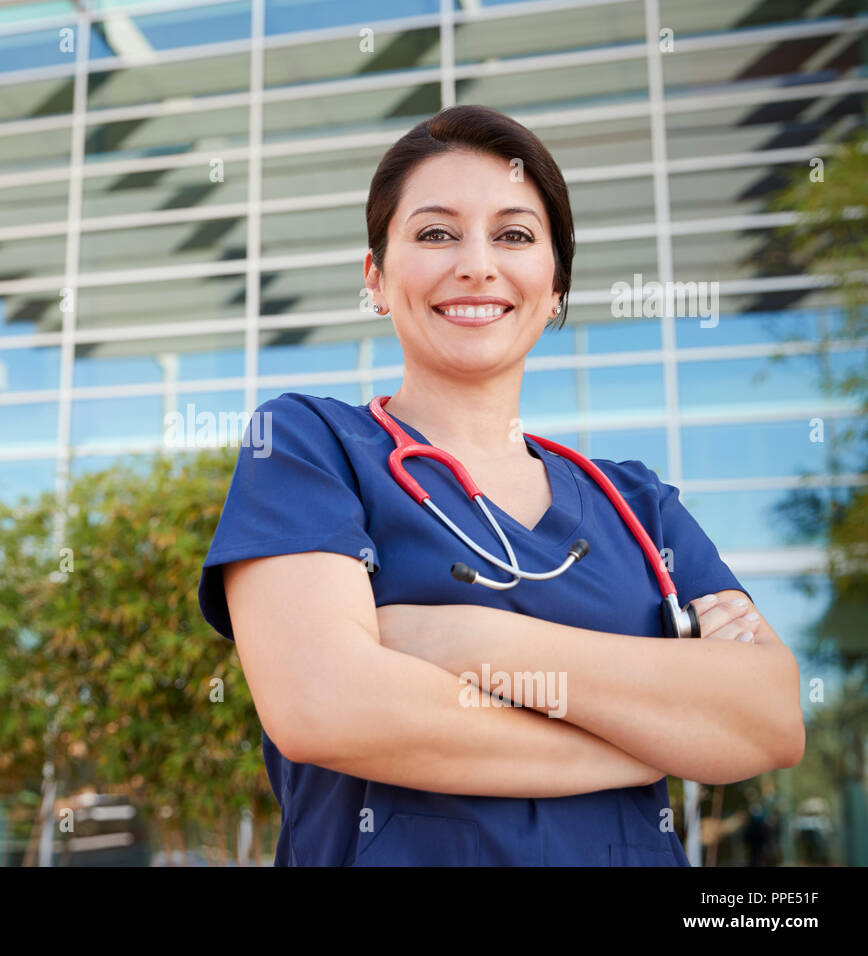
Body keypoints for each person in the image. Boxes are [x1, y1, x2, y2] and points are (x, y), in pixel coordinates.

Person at [196, 105, 805, 866]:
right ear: (376, 278)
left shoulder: (639, 505)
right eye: (435, 233)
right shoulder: (308, 447)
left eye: (514, 235)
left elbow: (770, 720)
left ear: (554, 288)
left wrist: (462, 637)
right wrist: (645, 741)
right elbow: (329, 707)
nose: (476, 264)